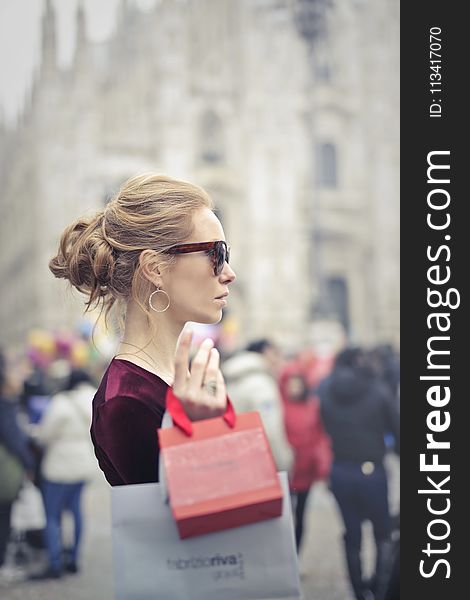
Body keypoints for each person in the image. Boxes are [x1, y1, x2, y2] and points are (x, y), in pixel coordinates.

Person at [48, 173, 236, 487]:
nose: (229, 273)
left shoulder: (172, 378)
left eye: (226, 255)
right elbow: (186, 527)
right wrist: (204, 435)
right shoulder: (124, 401)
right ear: (155, 269)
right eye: (215, 254)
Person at [318, 347, 400, 600]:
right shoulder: (377, 390)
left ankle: (358, 591)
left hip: (340, 469)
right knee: (382, 532)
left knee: (351, 533)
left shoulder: (326, 391)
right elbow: (397, 429)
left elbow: (322, 424)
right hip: (372, 470)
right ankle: (380, 587)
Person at [29, 368, 97, 580]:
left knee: (52, 514)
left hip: (60, 464)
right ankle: (74, 559)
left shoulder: (61, 402)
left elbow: (45, 435)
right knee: (77, 511)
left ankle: (55, 562)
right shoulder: (95, 398)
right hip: (83, 461)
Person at [279, 359, 332, 552]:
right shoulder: (278, 406)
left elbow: (320, 436)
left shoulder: (312, 406)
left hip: (306, 470)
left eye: (298, 384)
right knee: (284, 516)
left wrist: (321, 463)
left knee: (301, 514)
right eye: (291, 384)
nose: (294, 388)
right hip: (286, 468)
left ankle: (296, 554)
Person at [222, 339, 293, 473]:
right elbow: (270, 431)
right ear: (265, 353)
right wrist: (283, 465)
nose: (280, 361)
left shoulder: (236, 378)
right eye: (276, 354)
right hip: (262, 467)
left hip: (238, 462)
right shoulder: (261, 385)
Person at [0, 351, 35, 584]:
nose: (21, 377)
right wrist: (30, 463)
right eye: (15, 372)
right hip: (5, 475)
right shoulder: (5, 405)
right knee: (4, 520)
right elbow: (14, 439)